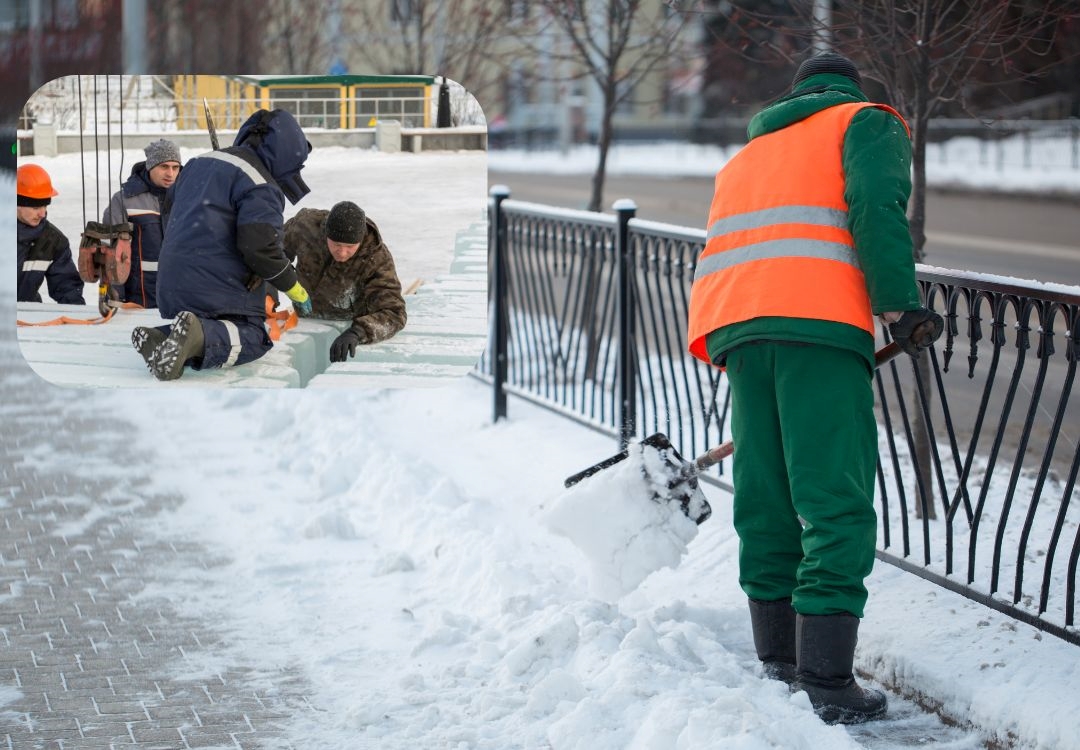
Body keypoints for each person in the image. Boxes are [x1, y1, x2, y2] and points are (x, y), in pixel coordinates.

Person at [686, 51, 943, 724]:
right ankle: (828, 682)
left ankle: (779, 660)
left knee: (766, 495)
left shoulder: (749, 155)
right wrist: (900, 304)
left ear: (796, 94)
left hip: (739, 327)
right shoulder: (866, 121)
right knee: (834, 498)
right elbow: (875, 208)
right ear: (849, 89)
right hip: (819, 329)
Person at [132, 108, 314, 381]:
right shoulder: (261, 184)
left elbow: (171, 214)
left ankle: (162, 336)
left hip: (172, 276)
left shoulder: (197, 163)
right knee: (254, 334)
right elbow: (260, 248)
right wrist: (294, 287)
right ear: (288, 155)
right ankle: (196, 336)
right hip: (216, 279)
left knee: (208, 323)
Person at [283, 201, 407, 362]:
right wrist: (274, 282)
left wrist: (358, 332)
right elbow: (269, 253)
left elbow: (395, 313)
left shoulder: (376, 259)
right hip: (303, 322)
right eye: (336, 244)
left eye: (350, 246)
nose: (342, 253)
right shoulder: (305, 227)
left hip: (347, 324)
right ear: (326, 234)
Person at [100, 139, 182, 308]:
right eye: (164, 167)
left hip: (179, 297)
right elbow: (110, 252)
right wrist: (114, 297)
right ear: (150, 166)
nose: (170, 174)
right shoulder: (124, 200)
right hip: (137, 300)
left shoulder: (188, 199)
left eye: (175, 167)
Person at [16, 163, 85, 305]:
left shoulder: (53, 241)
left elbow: (67, 287)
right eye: (35, 207)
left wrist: (78, 316)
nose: (42, 213)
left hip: (27, 316)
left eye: (45, 206)